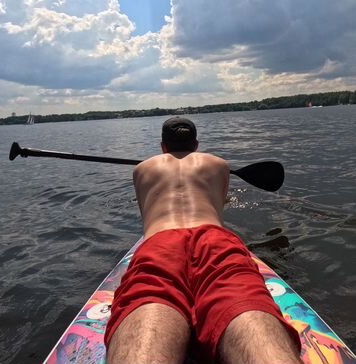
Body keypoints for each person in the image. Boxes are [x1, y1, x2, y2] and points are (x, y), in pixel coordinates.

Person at [105, 116, 302, 364]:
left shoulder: (142, 169)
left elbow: (147, 213)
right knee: (241, 300)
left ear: (162, 146)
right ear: (196, 145)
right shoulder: (218, 164)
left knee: (150, 297)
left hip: (161, 242)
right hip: (214, 238)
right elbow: (219, 204)